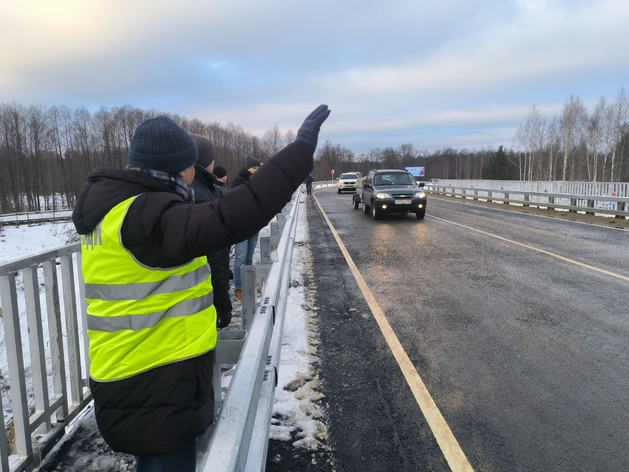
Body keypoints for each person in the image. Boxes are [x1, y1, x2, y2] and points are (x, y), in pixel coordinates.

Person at [72, 104, 330, 471]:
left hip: (140, 375)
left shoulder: (121, 210)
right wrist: (299, 152)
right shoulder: (146, 216)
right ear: (180, 169)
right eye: (193, 165)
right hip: (152, 384)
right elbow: (230, 218)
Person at [190, 134, 232, 329]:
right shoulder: (199, 195)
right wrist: (223, 304)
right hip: (201, 295)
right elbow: (212, 259)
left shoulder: (196, 189)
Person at [231, 156, 261, 302]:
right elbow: (237, 202)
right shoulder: (238, 181)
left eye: (258, 168)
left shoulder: (258, 182)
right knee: (240, 257)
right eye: (255, 168)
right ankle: (238, 288)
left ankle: (248, 285)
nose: (257, 171)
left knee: (249, 256)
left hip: (254, 224)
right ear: (248, 168)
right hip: (241, 224)